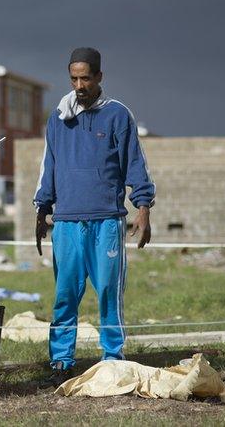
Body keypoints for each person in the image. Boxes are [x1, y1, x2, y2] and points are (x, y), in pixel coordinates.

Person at [34, 47, 154, 386]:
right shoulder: (58, 117)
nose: (79, 84)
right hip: (67, 221)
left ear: (99, 77)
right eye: (74, 78)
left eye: (86, 78)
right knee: (64, 295)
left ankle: (113, 359)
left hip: (107, 220)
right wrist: (42, 208)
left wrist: (142, 209)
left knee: (107, 292)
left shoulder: (117, 115)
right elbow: (49, 165)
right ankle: (60, 361)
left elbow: (135, 163)